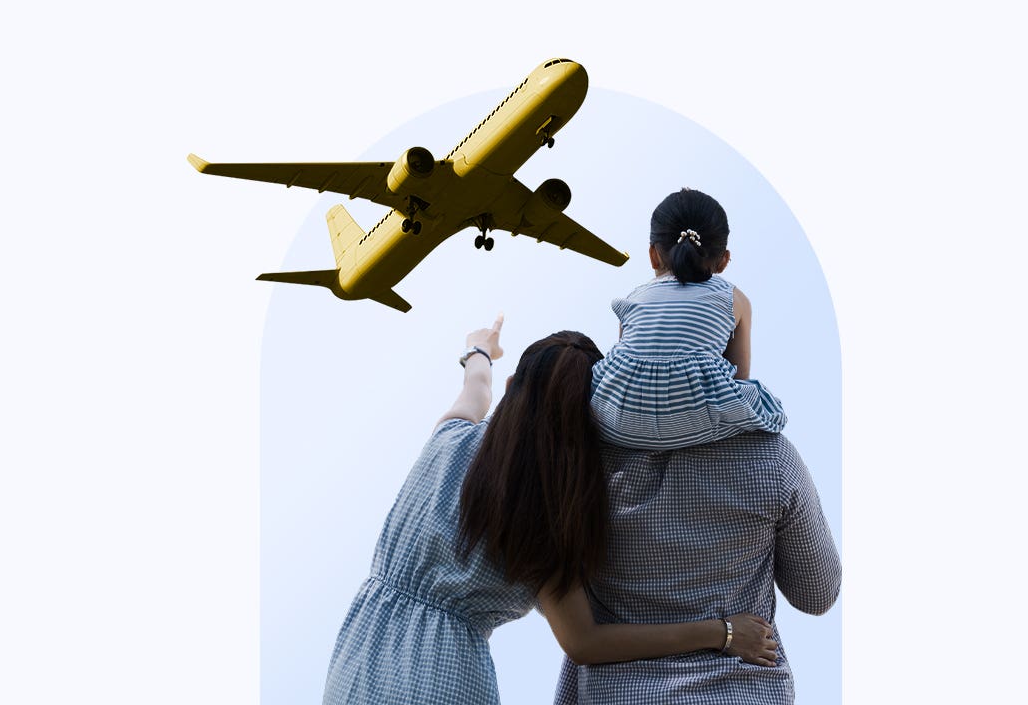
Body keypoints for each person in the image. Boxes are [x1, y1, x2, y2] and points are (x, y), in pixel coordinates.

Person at [321, 316, 777, 705]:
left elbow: (476, 388)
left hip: (358, 655)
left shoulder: (450, 439)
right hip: (446, 674)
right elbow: (584, 641)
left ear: (514, 386)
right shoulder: (542, 509)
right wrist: (724, 633)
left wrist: (479, 346)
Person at [551, 428, 842, 704]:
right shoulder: (771, 456)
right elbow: (817, 594)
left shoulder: (573, 463)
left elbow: (560, 612)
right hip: (744, 692)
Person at [591, 188, 788, 450]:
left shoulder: (634, 298)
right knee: (766, 402)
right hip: (696, 419)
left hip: (616, 423)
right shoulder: (735, 299)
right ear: (724, 261)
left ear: (652, 254)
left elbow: (632, 360)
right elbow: (739, 378)